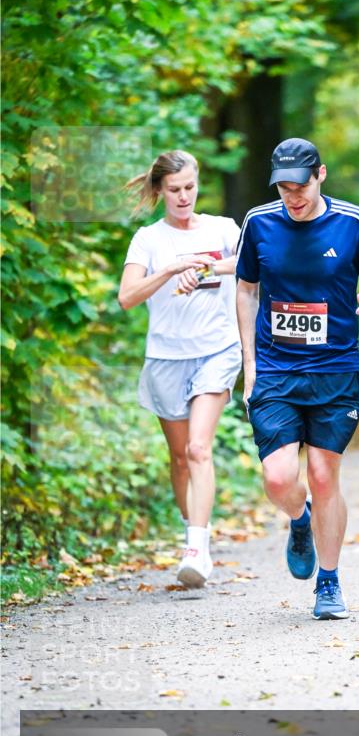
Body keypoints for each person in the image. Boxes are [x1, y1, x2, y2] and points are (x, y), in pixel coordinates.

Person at [235, 138, 359, 621]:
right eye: (283, 188)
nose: (292, 196)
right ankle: (298, 518)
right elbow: (245, 289)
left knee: (324, 477)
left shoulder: (353, 222)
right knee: (278, 477)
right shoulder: (258, 223)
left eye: (300, 186)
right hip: (276, 370)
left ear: (320, 175)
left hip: (335, 371)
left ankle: (328, 581)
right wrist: (249, 365)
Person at [118, 150, 241, 588]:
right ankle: (195, 532)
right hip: (166, 356)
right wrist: (170, 269)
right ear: (160, 191)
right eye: (174, 190)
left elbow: (257, 264)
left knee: (198, 448)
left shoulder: (223, 229)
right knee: (179, 459)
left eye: (190, 187)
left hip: (217, 350)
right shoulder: (148, 240)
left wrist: (207, 265)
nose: (184, 196)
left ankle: (196, 550)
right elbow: (127, 297)